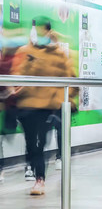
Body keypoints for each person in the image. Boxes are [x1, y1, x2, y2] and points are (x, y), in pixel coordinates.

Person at [11, 16, 77, 195]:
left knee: (40, 144)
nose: (38, 34)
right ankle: (35, 172)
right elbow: (16, 76)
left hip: (48, 108)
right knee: (31, 144)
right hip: (27, 107)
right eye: (35, 30)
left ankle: (40, 179)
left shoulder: (58, 54)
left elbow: (70, 79)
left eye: (41, 30)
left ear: (48, 32)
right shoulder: (25, 52)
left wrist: (62, 103)